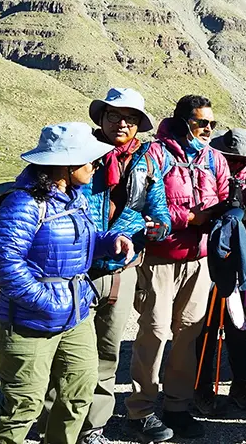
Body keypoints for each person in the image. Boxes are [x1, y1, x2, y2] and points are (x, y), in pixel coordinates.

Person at [0, 123, 134, 444]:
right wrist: (50, 301)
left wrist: (110, 241)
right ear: (64, 165)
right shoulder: (23, 204)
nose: (95, 166)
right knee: (23, 407)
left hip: (74, 316)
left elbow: (81, 241)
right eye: (89, 160)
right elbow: (3, 265)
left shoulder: (75, 199)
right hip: (26, 322)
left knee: (79, 394)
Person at [66, 88, 170, 444]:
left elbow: (159, 210)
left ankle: (93, 428)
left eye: (130, 118)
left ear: (139, 124)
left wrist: (160, 226)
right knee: (65, 351)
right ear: (102, 119)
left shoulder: (147, 160)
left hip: (120, 272)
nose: (121, 123)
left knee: (107, 352)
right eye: (114, 116)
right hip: (72, 269)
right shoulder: (80, 153)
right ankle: (58, 424)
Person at [127, 95, 231, 441]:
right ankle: (140, 409)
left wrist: (222, 215)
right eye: (203, 123)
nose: (208, 130)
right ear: (184, 121)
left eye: (213, 124)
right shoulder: (153, 154)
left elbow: (225, 197)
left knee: (188, 333)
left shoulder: (215, 159)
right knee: (154, 332)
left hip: (199, 259)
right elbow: (137, 204)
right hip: (158, 257)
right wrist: (188, 217)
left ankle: (177, 406)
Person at [193, 128, 246, 414]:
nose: (237, 163)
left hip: (241, 262)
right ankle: (202, 388)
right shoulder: (207, 172)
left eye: (242, 159)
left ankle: (241, 385)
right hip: (210, 261)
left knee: (239, 325)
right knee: (207, 327)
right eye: (232, 158)